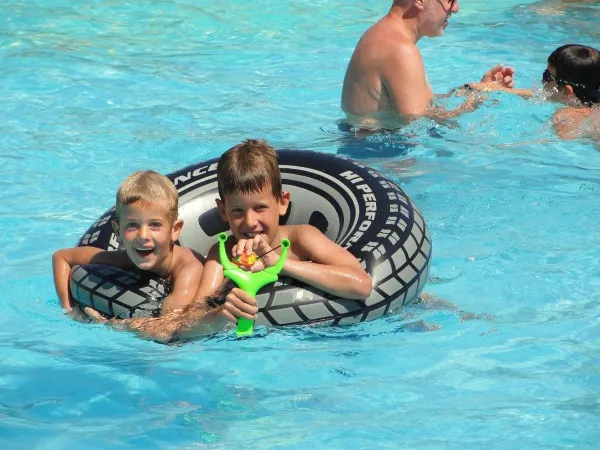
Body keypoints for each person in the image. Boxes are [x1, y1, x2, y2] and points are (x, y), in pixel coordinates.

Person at [112, 140, 373, 341]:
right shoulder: (221, 253)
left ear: (282, 203)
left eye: (260, 208)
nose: (249, 222)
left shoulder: (301, 239)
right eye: (237, 211)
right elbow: (190, 316)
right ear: (223, 211)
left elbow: (361, 285)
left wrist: (279, 263)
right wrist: (219, 312)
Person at [52, 170, 204, 319]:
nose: (143, 235)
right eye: (132, 225)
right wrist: (70, 310)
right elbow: (61, 257)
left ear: (174, 230)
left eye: (155, 225)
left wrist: (111, 325)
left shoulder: (188, 268)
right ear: (118, 231)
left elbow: (169, 330)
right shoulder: (123, 259)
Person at [341, 0, 515, 129]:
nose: (456, 8)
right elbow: (418, 123)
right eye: (450, 1)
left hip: (363, 145)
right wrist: (475, 102)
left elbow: (422, 105)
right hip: (378, 157)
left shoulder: (384, 35)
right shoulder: (400, 49)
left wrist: (475, 89)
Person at [468, 44, 600, 141]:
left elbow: (550, 146)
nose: (542, 81)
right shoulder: (589, 102)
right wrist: (497, 89)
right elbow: (539, 94)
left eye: (547, 76)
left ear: (566, 92)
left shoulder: (566, 115)